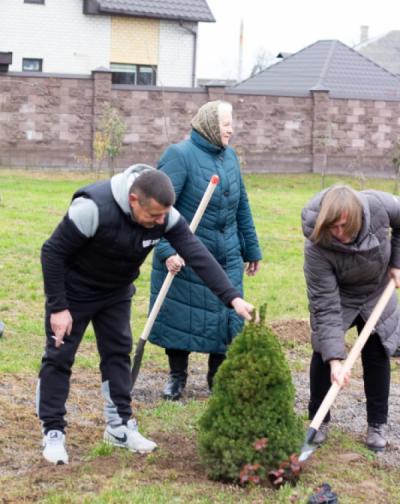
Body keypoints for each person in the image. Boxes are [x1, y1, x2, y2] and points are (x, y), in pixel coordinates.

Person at [37, 165, 255, 465]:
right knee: (59, 357)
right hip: (73, 292)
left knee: (117, 354)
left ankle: (119, 427)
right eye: (154, 216)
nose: (160, 222)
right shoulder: (92, 208)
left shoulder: (164, 215)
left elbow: (196, 253)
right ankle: (53, 432)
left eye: (164, 216)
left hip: (115, 292)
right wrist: (59, 307)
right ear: (134, 200)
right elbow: (52, 252)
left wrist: (233, 298)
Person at [148, 100, 262, 400]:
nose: (231, 129)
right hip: (186, 254)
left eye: (231, 122)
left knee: (227, 318)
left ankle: (217, 375)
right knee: (180, 316)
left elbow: (242, 204)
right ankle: (177, 376)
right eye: (226, 123)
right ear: (211, 124)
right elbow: (157, 208)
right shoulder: (179, 156)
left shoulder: (230, 157)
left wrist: (251, 247)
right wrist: (166, 251)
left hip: (227, 254)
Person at [301, 184, 400, 452]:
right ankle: (319, 420)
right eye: (333, 227)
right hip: (340, 296)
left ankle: (376, 424)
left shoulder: (379, 206)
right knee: (323, 350)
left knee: (378, 351)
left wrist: (396, 263)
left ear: (358, 218)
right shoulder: (316, 246)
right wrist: (335, 360)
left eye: (345, 226)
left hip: (378, 290)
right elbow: (325, 306)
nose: (339, 233)